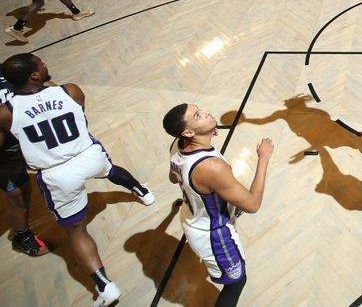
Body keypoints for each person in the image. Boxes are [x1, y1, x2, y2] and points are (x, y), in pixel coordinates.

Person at [0, 53, 155, 306]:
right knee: (111, 170)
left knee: (76, 230)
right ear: (35, 75)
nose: (46, 63)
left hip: (58, 174)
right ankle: (141, 191)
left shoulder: (5, 114)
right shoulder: (70, 90)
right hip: (88, 154)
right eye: (41, 63)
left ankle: (105, 287)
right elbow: (78, 118)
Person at [164, 104, 274, 306]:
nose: (206, 112)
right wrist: (264, 158)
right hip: (214, 233)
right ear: (188, 132)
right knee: (237, 283)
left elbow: (173, 178)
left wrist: (204, 137)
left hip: (193, 214)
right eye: (198, 116)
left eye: (200, 110)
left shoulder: (176, 145)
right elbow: (253, 204)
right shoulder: (212, 168)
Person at [0, 69, 49, 257]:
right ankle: (22, 236)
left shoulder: (5, 69)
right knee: (18, 193)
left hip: (25, 138)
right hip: (6, 154)